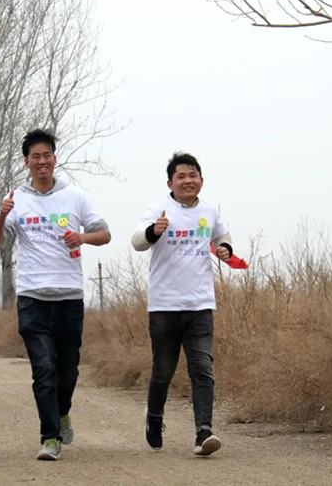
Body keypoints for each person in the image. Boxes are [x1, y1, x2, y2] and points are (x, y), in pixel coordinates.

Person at [0, 129, 111, 461]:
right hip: (32, 297)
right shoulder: (16, 199)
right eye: (35, 157)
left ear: (54, 159)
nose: (41, 161)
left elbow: (105, 234)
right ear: (26, 162)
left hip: (69, 296)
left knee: (68, 371)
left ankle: (63, 412)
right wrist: (2, 214)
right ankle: (50, 437)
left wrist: (82, 238)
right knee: (43, 368)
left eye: (47, 155)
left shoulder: (75, 197)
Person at [131, 152, 233, 457]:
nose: (188, 181)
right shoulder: (158, 209)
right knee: (163, 370)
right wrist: (154, 230)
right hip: (164, 305)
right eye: (181, 176)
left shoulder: (210, 210)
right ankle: (154, 416)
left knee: (202, 368)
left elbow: (222, 235)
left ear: (201, 179)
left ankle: (204, 432)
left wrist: (225, 249)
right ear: (170, 183)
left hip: (200, 303)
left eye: (193, 175)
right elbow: (137, 242)